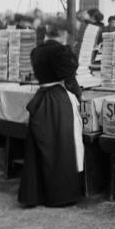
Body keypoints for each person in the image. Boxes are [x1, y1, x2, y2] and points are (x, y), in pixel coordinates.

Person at [18, 20, 84, 208]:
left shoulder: (37, 51)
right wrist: (78, 95)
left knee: (42, 149)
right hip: (57, 101)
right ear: (63, 33)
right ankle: (61, 195)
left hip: (42, 98)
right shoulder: (60, 52)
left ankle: (38, 193)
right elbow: (69, 78)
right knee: (61, 148)